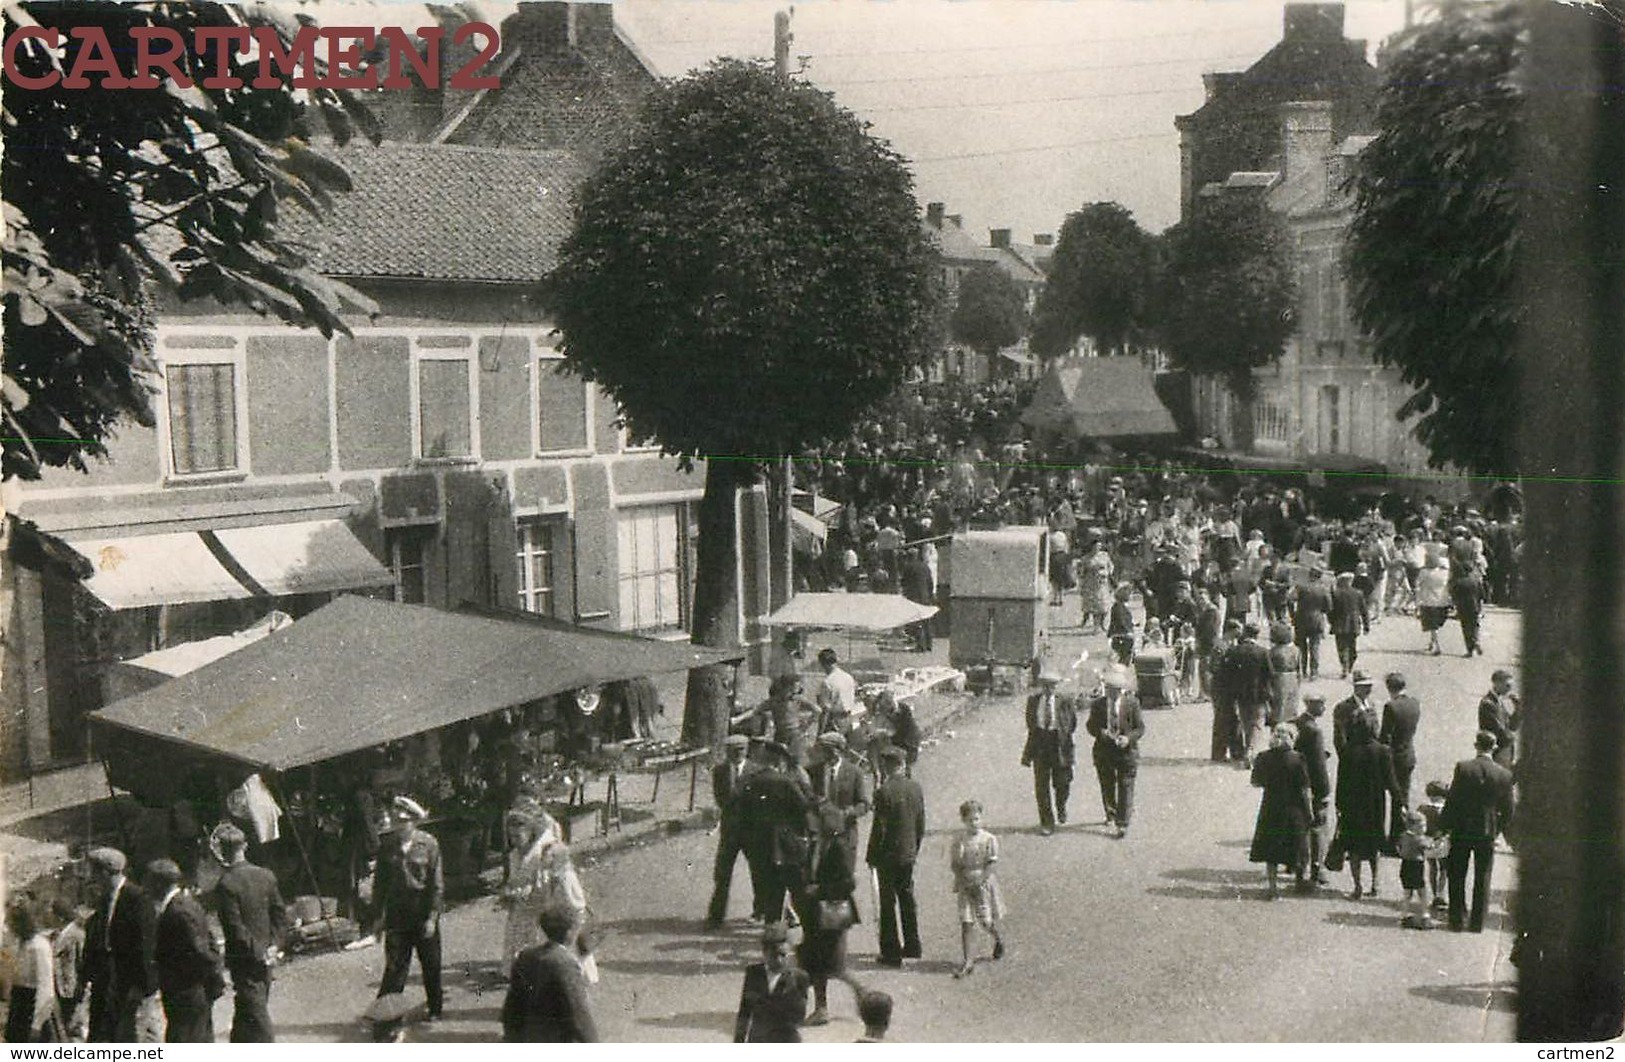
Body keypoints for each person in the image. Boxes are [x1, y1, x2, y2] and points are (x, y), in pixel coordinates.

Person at [211, 823, 287, 1042]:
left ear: (223, 851)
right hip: (267, 954)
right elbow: (280, 915)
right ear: (245, 846)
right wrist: (274, 946)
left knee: (256, 1014)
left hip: (245, 959)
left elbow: (235, 929)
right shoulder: (266, 875)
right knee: (250, 1009)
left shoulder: (226, 884)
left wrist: (258, 952)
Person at [373, 796, 444, 1021]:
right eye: (395, 821)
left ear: (414, 822)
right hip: (397, 915)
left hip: (422, 912)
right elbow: (380, 885)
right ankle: (387, 1016)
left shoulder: (429, 844)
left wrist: (432, 917)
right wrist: (377, 918)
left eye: (403, 821)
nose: (399, 826)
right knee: (395, 969)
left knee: (430, 966)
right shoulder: (387, 847)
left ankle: (435, 1008)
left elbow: (437, 884)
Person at [1440, 731, 1516, 932]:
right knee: (1483, 877)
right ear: (1494, 748)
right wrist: (1496, 828)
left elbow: (1453, 800)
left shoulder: (1464, 768)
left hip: (1462, 829)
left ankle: (1456, 919)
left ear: (1476, 746)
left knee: (1457, 874)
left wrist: (1443, 825)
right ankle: (1477, 923)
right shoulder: (1504, 775)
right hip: (1486, 831)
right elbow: (1509, 810)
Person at [82, 846, 159, 1043]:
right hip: (109, 980)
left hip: (132, 983)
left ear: (106, 873)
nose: (92, 878)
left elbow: (146, 946)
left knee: (132, 1036)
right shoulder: (105, 900)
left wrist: (141, 987)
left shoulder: (137, 899)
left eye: (94, 872)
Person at [794, 805, 859, 1027]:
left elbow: (848, 883)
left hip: (832, 915)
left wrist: (819, 890)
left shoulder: (839, 847)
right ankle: (822, 1006)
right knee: (818, 961)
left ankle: (825, 1007)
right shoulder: (819, 844)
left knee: (826, 964)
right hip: (817, 913)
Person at [737, 741, 816, 925]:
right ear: (779, 760)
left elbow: (743, 812)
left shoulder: (751, 780)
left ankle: (774, 934)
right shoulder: (785, 782)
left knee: (769, 890)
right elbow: (803, 807)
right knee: (796, 887)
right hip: (785, 843)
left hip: (760, 843)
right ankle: (806, 929)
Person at [145, 858, 220, 1043]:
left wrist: (212, 978)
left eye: (149, 882)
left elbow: (200, 951)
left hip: (187, 992)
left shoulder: (178, 911)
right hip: (188, 992)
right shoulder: (187, 903)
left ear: (159, 883)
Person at [501, 904, 600, 1042]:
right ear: (569, 933)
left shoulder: (526, 957)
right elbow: (578, 1015)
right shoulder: (565, 964)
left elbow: (511, 1009)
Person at [867, 746, 925, 968]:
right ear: (902, 765)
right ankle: (913, 944)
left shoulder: (883, 792)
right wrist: (914, 848)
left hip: (887, 856)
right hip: (908, 852)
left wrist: (872, 855)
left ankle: (891, 952)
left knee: (887, 902)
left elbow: (879, 829)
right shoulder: (915, 788)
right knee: (907, 898)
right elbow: (920, 824)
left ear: (887, 766)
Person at [1334, 712, 1403, 899]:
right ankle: (1375, 884)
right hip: (1375, 804)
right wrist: (1400, 802)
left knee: (1354, 846)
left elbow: (1341, 781)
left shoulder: (1348, 751)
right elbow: (1391, 781)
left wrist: (1339, 805)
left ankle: (1357, 886)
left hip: (1352, 805)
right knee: (1374, 844)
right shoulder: (1382, 751)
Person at [1249, 724, 1314, 898]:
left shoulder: (1263, 757)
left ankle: (1273, 888)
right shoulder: (1297, 758)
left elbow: (1256, 782)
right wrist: (1309, 811)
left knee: (1271, 849)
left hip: (1271, 806)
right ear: (1291, 739)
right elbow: (1304, 788)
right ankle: (1299, 882)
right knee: (1298, 844)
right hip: (1294, 807)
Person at [1084, 667, 1145, 838]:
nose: (1113, 693)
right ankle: (1111, 812)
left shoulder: (1132, 703)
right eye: (1110, 689)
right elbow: (1090, 726)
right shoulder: (1098, 705)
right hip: (1104, 751)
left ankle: (1122, 823)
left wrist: (1128, 738)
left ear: (1121, 690)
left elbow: (1140, 728)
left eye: (1116, 690)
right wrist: (1100, 732)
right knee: (1107, 784)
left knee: (1125, 785)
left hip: (1126, 752)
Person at [948, 800, 1006, 979]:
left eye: (977, 819)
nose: (974, 823)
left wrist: (981, 879)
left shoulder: (988, 839)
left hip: (982, 883)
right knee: (966, 921)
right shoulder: (960, 841)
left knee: (985, 920)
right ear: (963, 821)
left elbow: (991, 863)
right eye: (970, 820)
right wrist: (961, 877)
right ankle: (968, 961)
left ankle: (997, 938)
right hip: (966, 883)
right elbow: (955, 864)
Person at [706, 734, 757, 929]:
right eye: (733, 751)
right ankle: (716, 914)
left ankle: (759, 910)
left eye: (741, 750)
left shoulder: (755, 771)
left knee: (757, 872)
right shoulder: (720, 771)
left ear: (746, 750)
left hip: (751, 830)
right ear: (728, 752)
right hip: (730, 829)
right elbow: (720, 798)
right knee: (722, 872)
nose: (737, 754)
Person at [1020, 669, 1078, 835]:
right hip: (1040, 744)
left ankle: (1061, 806)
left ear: (1056, 687)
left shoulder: (1065, 701)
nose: (1048, 689)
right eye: (1045, 686)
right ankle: (1047, 822)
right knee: (1041, 786)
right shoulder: (1033, 701)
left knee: (1062, 783)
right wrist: (1029, 752)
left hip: (1059, 744)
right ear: (1041, 686)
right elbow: (1031, 725)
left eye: (1052, 686)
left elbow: (1072, 724)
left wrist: (1062, 735)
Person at [500, 802, 561, 961]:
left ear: (530, 832)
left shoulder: (540, 854)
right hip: (521, 908)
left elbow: (549, 883)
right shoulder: (514, 855)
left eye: (518, 836)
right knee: (518, 939)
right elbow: (513, 880)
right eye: (511, 837)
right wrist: (509, 891)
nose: (514, 841)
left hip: (541, 906)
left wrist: (530, 889)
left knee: (539, 944)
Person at [732, 924, 810, 1043]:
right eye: (774, 955)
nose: (779, 960)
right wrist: (738, 1041)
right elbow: (745, 1011)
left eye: (783, 955)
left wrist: (790, 986)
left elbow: (799, 1017)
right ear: (765, 954)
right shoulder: (754, 973)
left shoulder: (799, 977)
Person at [537, 843, 597, 984]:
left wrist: (568, 910)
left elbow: (575, 898)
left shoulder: (566, 876)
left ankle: (585, 976)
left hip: (571, 914)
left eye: (548, 856)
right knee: (574, 945)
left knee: (576, 944)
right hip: (564, 915)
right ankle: (582, 975)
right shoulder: (554, 875)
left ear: (557, 858)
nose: (544, 860)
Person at [808, 731, 872, 859]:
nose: (818, 753)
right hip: (820, 836)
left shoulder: (854, 773)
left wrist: (848, 813)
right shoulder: (812, 772)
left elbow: (863, 804)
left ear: (835, 751)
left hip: (845, 835)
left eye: (823, 749)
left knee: (845, 876)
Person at [1292, 693, 1333, 887]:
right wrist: (1324, 790)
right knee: (1318, 827)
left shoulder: (1295, 723)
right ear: (1313, 705)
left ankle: (1298, 867)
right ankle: (1318, 868)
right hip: (1314, 786)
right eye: (1322, 704)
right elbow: (1318, 766)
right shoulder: (1314, 731)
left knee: (1299, 826)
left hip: (1295, 784)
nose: (1324, 708)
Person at [4, 900, 58, 1043]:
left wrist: (37, 1023)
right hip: (18, 1003)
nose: (9, 928)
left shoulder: (39, 946)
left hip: (31, 1004)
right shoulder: (18, 944)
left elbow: (45, 987)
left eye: (11, 924)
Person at [1379, 672, 1422, 845]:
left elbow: (1385, 736)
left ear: (1389, 688)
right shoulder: (1414, 704)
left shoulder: (1391, 707)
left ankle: (1389, 838)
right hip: (1408, 755)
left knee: (1389, 796)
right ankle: (1400, 837)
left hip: (1393, 758)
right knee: (1402, 797)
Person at [1227, 622, 1274, 766]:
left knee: (1245, 721)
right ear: (1257, 635)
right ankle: (1250, 750)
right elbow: (1270, 673)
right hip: (1259, 693)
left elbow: (1227, 674)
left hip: (1240, 694)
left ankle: (1247, 748)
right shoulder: (1263, 652)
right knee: (1257, 723)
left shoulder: (1234, 651)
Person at [50, 900, 88, 1042]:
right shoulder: (65, 932)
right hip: (65, 986)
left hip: (70, 987)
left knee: (72, 1027)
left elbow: (80, 961)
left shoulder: (73, 933)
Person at [1397, 811, 1436, 930]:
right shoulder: (1418, 839)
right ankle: (1425, 914)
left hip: (1405, 866)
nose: (1425, 829)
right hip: (1416, 867)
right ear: (1414, 827)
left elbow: (1398, 848)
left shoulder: (1403, 836)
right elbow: (1430, 847)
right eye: (1422, 826)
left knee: (1407, 893)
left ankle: (1404, 914)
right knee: (1422, 892)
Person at [1291, 567, 1333, 678]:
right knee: (1315, 646)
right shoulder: (1324, 589)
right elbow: (1329, 607)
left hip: (1301, 619)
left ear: (1310, 575)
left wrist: (1292, 614)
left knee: (1301, 647)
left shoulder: (1301, 588)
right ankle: (1314, 671)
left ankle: (1302, 670)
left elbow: (1291, 599)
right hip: (1317, 620)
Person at [1418, 780, 1452, 912]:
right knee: (1444, 868)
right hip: (1442, 840)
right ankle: (1440, 894)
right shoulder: (1445, 809)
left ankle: (1434, 894)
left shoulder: (1423, 808)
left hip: (1427, 840)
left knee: (1432, 867)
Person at [1476, 669, 1521, 770]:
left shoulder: (1499, 702)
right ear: (1497, 683)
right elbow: (1500, 731)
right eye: (1507, 686)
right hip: (1495, 752)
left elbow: (1512, 726)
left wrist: (1518, 709)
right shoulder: (1488, 703)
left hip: (1504, 751)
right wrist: (1512, 737)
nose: (1509, 690)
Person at [1332, 671, 1380, 760]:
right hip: (1353, 759)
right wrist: (1346, 759)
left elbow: (1376, 731)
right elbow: (1340, 739)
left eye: (1370, 686)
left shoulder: (1371, 704)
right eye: (1365, 686)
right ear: (1356, 687)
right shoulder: (1343, 708)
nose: (1369, 690)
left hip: (1371, 758)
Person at [1329, 570, 1367, 678]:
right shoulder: (1358, 593)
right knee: (1352, 647)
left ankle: (1344, 667)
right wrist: (1366, 625)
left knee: (1341, 647)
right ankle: (1349, 666)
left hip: (1339, 624)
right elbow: (1364, 610)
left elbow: (1331, 610)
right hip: (1354, 624)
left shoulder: (1336, 594)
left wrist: (1331, 622)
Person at [815, 648, 860, 735]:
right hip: (849, 720)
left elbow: (825, 710)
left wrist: (820, 733)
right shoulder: (848, 677)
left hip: (834, 721)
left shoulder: (827, 682)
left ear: (822, 664)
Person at [1265, 622, 1300, 728]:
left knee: (1278, 705)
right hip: (1292, 678)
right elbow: (1299, 668)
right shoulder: (1295, 650)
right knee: (1291, 703)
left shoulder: (1272, 652)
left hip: (1278, 679)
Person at [1415, 553, 1452, 654]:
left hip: (1428, 601)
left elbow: (1417, 584)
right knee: (1436, 624)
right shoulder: (1445, 573)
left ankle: (1437, 645)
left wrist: (1417, 600)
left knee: (1432, 625)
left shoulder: (1424, 572)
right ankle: (1432, 643)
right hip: (1443, 601)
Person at [1077, 538, 1115, 634]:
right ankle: (1096, 626)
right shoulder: (1086, 558)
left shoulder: (1105, 556)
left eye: (1099, 546)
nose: (1097, 548)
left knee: (1104, 606)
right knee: (1095, 606)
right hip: (1091, 583)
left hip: (1103, 582)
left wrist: (1107, 572)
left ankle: (1102, 624)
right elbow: (1081, 571)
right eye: (1095, 547)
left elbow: (1111, 566)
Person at [1107, 582, 1137, 666]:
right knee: (1124, 658)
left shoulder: (1120, 606)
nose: (1131, 596)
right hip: (1122, 635)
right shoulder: (1119, 607)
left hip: (1120, 635)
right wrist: (1128, 631)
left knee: (1125, 656)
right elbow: (1120, 620)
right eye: (1129, 594)